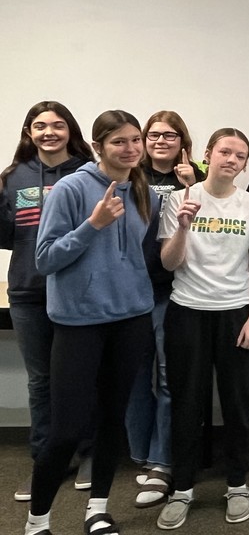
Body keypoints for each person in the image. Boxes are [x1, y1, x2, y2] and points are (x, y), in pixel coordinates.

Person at [27, 110, 159, 535]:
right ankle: (37, 522)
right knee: (66, 430)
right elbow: (45, 259)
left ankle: (97, 510)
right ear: (98, 146)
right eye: (119, 141)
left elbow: (138, 255)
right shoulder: (70, 189)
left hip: (131, 318)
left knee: (112, 420)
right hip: (79, 322)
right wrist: (93, 225)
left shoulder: (145, 190)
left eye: (135, 140)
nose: (131, 148)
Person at [156, 129, 249, 530]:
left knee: (237, 404)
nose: (231, 160)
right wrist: (183, 226)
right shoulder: (179, 199)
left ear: (245, 164)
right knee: (187, 404)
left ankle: (237, 484)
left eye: (240, 155)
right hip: (187, 313)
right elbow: (169, 263)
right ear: (208, 154)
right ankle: (182, 488)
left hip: (236, 314)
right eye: (225, 151)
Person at [1, 101, 94, 503]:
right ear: (29, 133)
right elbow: (8, 237)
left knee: (82, 377)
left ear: (70, 130)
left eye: (57, 125)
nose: (48, 132)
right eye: (39, 126)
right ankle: (46, 459)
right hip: (28, 292)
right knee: (40, 381)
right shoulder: (13, 176)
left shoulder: (88, 173)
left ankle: (89, 452)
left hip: (77, 290)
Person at [128, 110, 206, 508]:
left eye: (170, 135)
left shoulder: (198, 178)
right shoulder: (130, 176)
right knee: (134, 376)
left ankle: (162, 460)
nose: (161, 141)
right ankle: (139, 454)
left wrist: (192, 184)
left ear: (183, 142)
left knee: (167, 377)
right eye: (154, 135)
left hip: (171, 291)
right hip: (128, 291)